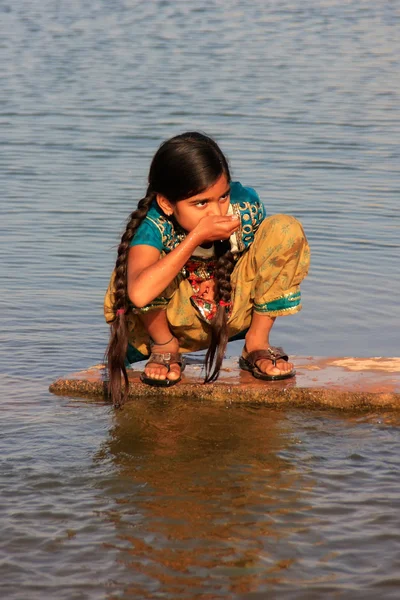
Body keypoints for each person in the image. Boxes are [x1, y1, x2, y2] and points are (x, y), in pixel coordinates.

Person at [104, 132, 310, 406]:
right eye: (201, 203)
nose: (216, 212)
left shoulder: (246, 207)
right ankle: (165, 346)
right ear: (166, 203)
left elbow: (265, 267)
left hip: (227, 312)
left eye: (222, 197)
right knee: (137, 271)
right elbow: (140, 294)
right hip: (168, 323)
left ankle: (257, 343)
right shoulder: (153, 225)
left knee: (285, 228)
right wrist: (196, 237)